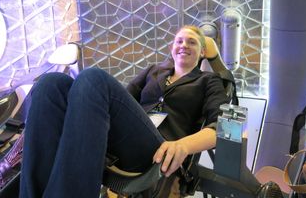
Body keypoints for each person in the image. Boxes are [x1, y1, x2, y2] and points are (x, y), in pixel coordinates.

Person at [19, 25, 231, 198]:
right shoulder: (153, 71)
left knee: (93, 78)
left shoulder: (209, 80)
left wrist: (184, 145)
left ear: (203, 52)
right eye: (179, 41)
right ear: (171, 48)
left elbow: (226, 127)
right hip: (128, 135)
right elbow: (121, 100)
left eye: (192, 42)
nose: (184, 45)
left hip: (160, 145)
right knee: (51, 83)